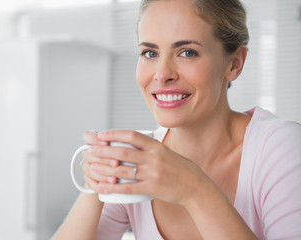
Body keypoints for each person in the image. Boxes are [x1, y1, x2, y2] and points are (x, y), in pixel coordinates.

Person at [52, 0, 301, 239]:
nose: (162, 74)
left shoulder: (280, 148)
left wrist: (195, 191)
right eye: (150, 53)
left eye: (187, 52)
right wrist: (97, 183)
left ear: (234, 64)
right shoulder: (139, 163)